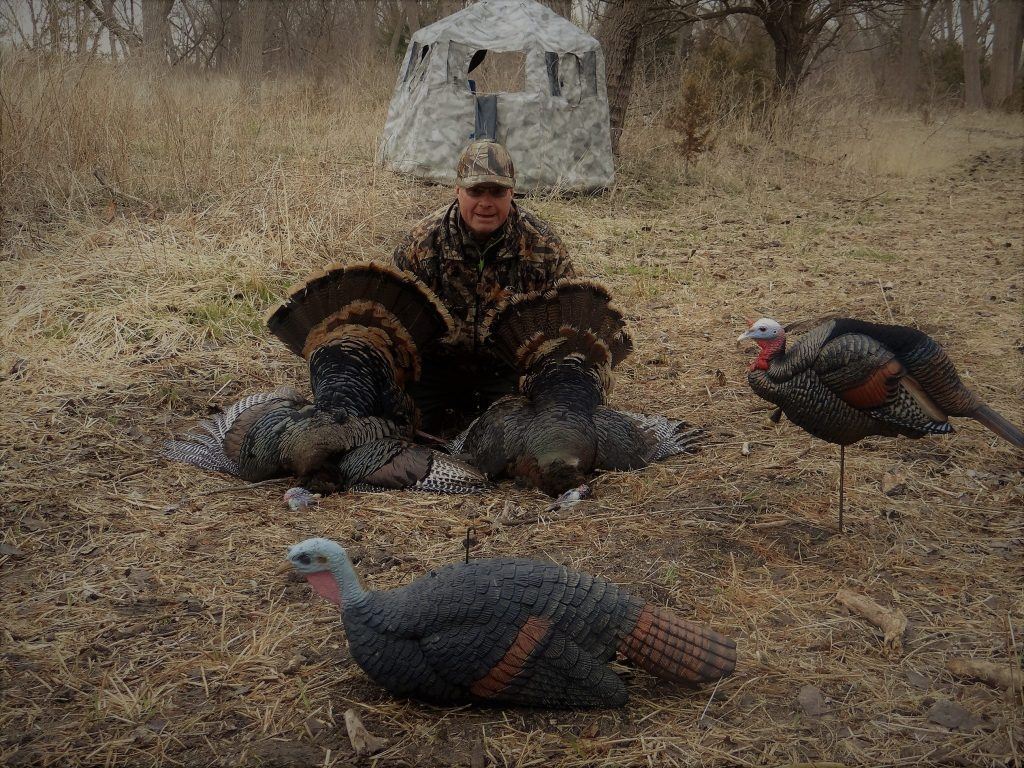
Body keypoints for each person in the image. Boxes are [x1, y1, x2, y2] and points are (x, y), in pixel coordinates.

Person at [393, 140, 576, 435]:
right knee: (400, 427)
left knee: (531, 435)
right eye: (475, 191)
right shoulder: (421, 245)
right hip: (436, 372)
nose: (486, 203)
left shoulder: (544, 248)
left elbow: (568, 328)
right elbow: (398, 333)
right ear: (457, 191)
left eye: (497, 192)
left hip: (508, 373)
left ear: (512, 192)